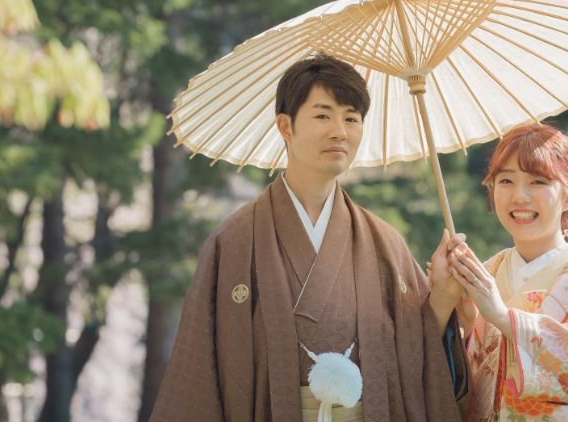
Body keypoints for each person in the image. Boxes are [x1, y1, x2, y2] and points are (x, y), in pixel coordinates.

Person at [151, 54, 469, 421]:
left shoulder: (384, 243)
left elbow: (417, 354)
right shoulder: (234, 242)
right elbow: (200, 372)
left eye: (351, 118)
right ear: (285, 126)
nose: (340, 131)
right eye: (322, 116)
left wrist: (443, 295)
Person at [430, 123, 568, 421]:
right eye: (506, 181)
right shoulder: (488, 272)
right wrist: (456, 312)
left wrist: (503, 318)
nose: (519, 196)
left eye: (538, 181)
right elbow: (461, 386)